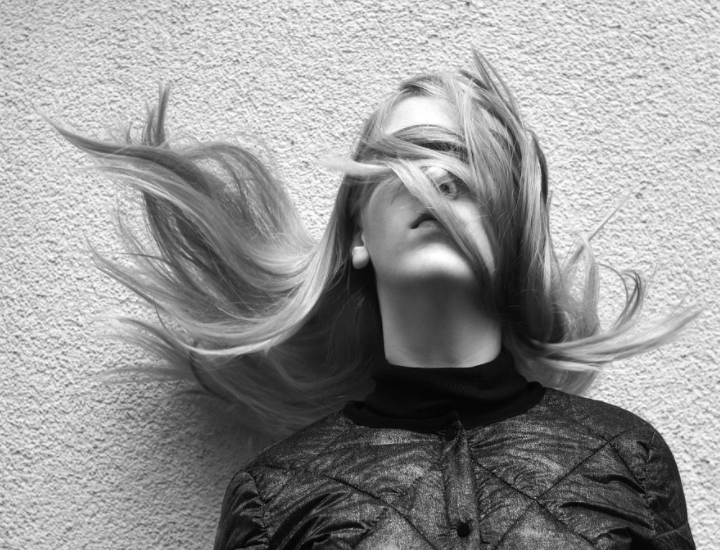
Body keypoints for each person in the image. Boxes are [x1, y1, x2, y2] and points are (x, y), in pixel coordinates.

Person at [56, 52, 696, 548]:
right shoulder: (273, 496)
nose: (439, 177)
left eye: (468, 162)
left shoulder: (629, 459)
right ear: (358, 233)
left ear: (512, 228)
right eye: (407, 158)